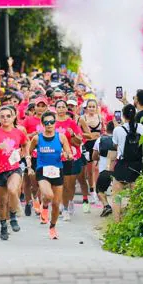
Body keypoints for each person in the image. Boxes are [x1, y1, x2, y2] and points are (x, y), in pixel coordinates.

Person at [0, 106, 30, 241]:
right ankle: (3, 225)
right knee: (1, 203)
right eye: (2, 116)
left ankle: (13, 216)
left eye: (8, 116)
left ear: (14, 117)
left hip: (14, 168)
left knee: (13, 190)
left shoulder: (18, 132)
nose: (5, 118)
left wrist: (24, 154)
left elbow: (26, 143)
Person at [28, 111, 73, 239]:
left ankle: (52, 227)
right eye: (46, 122)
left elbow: (68, 152)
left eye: (51, 122)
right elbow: (28, 152)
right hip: (42, 170)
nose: (49, 125)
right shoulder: (37, 138)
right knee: (48, 195)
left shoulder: (61, 137)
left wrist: (67, 155)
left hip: (57, 170)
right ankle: (45, 206)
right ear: (42, 124)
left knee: (56, 204)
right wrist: (29, 166)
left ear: (55, 123)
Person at [111, 104, 143, 222]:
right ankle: (135, 222)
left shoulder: (118, 130)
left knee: (117, 196)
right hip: (136, 164)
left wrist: (117, 126)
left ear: (123, 116)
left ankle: (116, 223)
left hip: (122, 164)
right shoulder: (141, 127)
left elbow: (115, 145)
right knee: (135, 196)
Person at [53, 100, 84, 221]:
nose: (61, 109)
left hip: (71, 155)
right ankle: (64, 207)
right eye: (58, 107)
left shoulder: (71, 123)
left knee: (69, 185)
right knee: (60, 184)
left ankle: (69, 201)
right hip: (56, 156)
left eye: (63, 107)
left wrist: (72, 135)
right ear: (55, 109)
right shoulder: (51, 122)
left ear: (66, 109)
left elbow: (80, 141)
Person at [78, 99, 101, 212]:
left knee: (94, 169)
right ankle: (88, 191)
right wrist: (90, 135)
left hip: (97, 145)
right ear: (86, 107)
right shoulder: (83, 118)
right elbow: (79, 132)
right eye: (90, 106)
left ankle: (93, 190)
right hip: (86, 145)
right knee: (86, 170)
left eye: (93, 106)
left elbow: (104, 131)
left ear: (96, 107)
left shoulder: (100, 118)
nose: (92, 108)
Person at [92, 121, 116, 217]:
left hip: (105, 170)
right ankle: (117, 209)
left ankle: (106, 206)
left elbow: (94, 156)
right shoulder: (119, 139)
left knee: (99, 190)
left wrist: (99, 158)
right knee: (118, 191)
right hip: (117, 170)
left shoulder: (100, 140)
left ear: (106, 129)